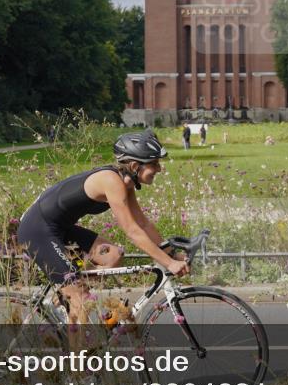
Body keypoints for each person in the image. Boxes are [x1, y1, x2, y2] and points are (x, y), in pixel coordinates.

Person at [16, 130, 189, 325]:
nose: (159, 169)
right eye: (154, 163)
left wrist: (171, 253)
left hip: (59, 228)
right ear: (134, 165)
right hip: (37, 230)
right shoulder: (111, 181)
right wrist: (168, 263)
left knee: (113, 255)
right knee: (80, 300)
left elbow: (143, 223)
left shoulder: (127, 184)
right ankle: (78, 344)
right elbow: (132, 231)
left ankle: (66, 295)